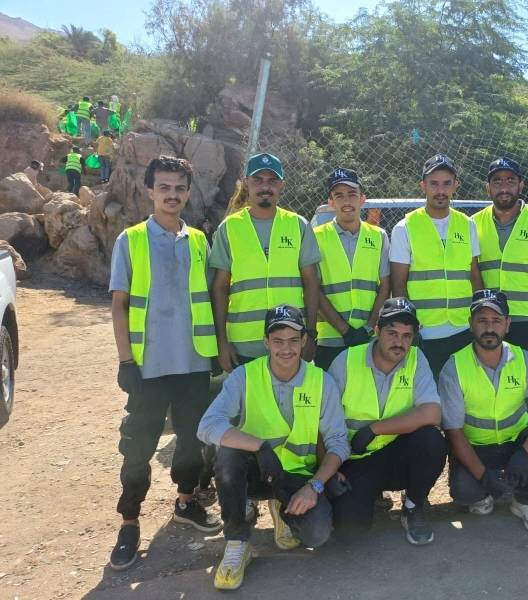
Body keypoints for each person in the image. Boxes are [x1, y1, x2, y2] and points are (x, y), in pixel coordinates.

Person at [108, 156, 220, 571]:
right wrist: (126, 360)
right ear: (150, 191)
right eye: (164, 188)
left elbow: (208, 298)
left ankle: (186, 501)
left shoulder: (199, 241)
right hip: (148, 365)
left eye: (179, 188)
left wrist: (213, 352)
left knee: (191, 443)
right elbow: (119, 305)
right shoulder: (131, 240)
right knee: (138, 446)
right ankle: (129, 521)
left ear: (188, 193)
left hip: (192, 362)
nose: (172, 195)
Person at [197, 304, 349, 591]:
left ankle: (282, 509)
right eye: (277, 341)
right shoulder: (244, 376)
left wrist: (315, 486)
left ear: (304, 341)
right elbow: (207, 426)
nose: (286, 349)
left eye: (293, 340)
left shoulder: (322, 382)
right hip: (255, 472)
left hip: (296, 475)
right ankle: (237, 542)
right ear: (265, 342)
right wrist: (259, 447)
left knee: (317, 535)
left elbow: (338, 443)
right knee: (226, 454)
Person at [439, 289, 528, 533]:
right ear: (470, 324)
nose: (489, 328)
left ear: (507, 324)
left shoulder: (525, 360)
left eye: (496, 321)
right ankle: (484, 493)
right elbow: (453, 431)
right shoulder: (454, 367)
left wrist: (526, 455)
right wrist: (483, 476)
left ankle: (525, 500)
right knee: (464, 491)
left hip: (516, 444)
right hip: (477, 447)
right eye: (482, 321)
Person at [328, 297, 446, 545]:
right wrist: (330, 468)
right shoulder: (345, 362)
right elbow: (321, 420)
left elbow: (432, 413)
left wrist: (374, 429)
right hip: (355, 460)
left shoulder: (416, 359)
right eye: (392, 333)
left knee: (432, 440)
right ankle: (369, 496)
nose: (399, 342)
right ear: (377, 331)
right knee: (349, 531)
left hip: (396, 455)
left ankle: (413, 505)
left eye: (406, 335)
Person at [210, 153, 322, 369]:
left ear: (282, 185)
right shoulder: (229, 228)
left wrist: (310, 333)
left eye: (272, 181)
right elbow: (220, 288)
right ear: (246, 184)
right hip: (244, 343)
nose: (265, 187)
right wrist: (222, 341)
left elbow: (311, 282)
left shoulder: (298, 225)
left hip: (290, 343)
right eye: (258, 180)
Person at [390, 154, 483, 377]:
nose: (440, 190)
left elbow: (474, 276)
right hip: (425, 331)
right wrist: (409, 327)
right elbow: (398, 285)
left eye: (446, 183)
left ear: (455, 185)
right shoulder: (405, 227)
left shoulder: (467, 224)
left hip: (463, 328)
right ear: (423, 186)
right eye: (434, 184)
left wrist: (478, 320)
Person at [473, 157, 528, 367]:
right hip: (490, 323)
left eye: (510, 181)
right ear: (488, 188)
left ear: (521, 185)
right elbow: (473, 274)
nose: (504, 188)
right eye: (497, 182)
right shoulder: (474, 224)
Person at [313, 168, 391, 370]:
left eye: (352, 194)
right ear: (331, 202)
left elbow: (385, 286)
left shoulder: (379, 236)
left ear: (362, 199)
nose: (346, 201)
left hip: (369, 338)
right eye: (339, 196)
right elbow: (313, 289)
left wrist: (369, 327)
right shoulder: (315, 237)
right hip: (330, 340)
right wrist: (344, 330)